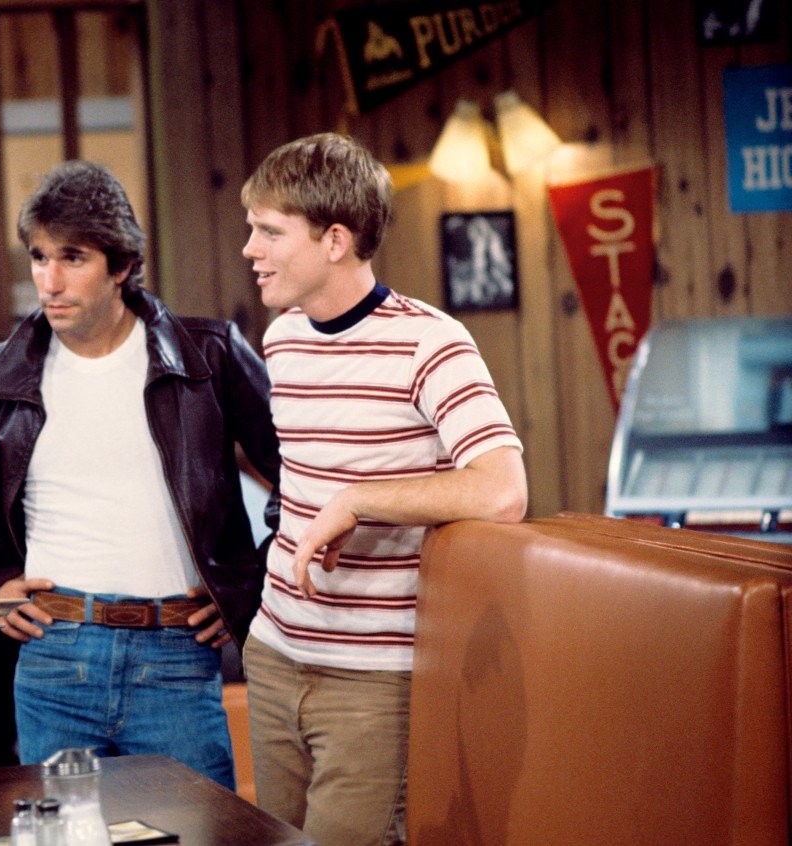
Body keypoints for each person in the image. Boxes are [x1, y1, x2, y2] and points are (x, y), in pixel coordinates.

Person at [0, 160, 281, 788]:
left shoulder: (208, 354)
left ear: (122, 266)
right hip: (53, 653)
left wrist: (250, 589)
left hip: (176, 654)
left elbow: (302, 475)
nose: (49, 281)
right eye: (38, 257)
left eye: (72, 257)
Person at [239, 133, 529, 845]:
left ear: (335, 240)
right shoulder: (281, 339)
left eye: (269, 231)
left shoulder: (433, 343)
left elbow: (502, 488)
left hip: (374, 683)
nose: (250, 248)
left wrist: (357, 500)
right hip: (273, 656)